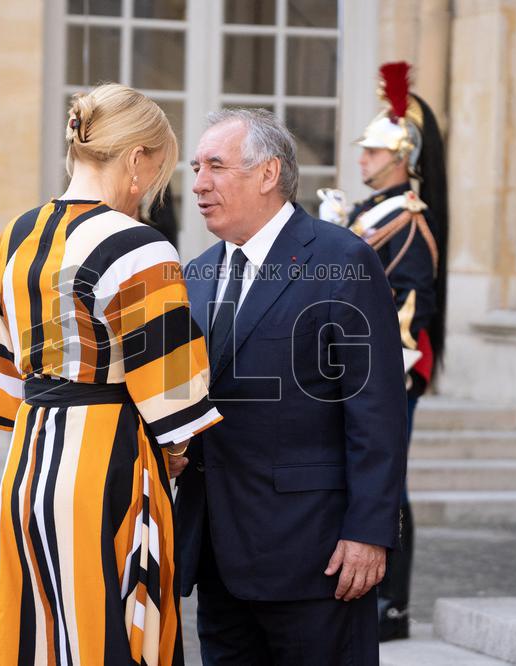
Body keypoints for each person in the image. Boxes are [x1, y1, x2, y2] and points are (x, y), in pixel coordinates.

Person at [0, 83, 221, 665]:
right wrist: (179, 448)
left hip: (31, 459)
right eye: (159, 165)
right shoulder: (137, 245)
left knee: (33, 632)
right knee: (110, 630)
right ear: (136, 158)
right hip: (110, 459)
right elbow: (175, 397)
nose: (156, 183)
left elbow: (1, 375)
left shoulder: (13, 237)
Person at [173, 108, 408, 665]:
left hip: (316, 556)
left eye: (215, 166)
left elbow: (376, 410)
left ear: (267, 173)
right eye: (195, 167)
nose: (200, 183)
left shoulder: (343, 260)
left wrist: (370, 532)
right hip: (217, 556)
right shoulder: (198, 272)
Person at [317, 61, 448, 639]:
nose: (363, 160)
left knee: (388, 481)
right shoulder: (373, 214)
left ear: (401, 158)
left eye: (373, 153)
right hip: (363, 368)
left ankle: (393, 605)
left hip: (390, 371)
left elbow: (411, 311)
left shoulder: (409, 222)